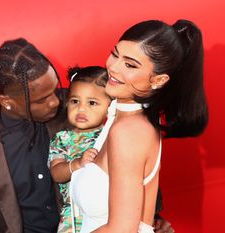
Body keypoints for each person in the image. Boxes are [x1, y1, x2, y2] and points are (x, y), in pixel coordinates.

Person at [0, 37, 175, 233]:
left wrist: (150, 217)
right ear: (7, 101)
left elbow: (129, 156)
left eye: (55, 88)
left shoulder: (81, 105)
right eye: (42, 99)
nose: (58, 101)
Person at [71, 19, 208, 233]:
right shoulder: (121, 113)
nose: (113, 67)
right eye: (115, 54)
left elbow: (121, 230)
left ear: (158, 80)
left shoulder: (129, 132)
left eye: (130, 65)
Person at [48, 66, 111, 233]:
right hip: (74, 216)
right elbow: (56, 173)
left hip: (109, 212)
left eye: (92, 103)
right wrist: (77, 163)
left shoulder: (112, 135)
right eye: (75, 101)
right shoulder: (62, 138)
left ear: (110, 106)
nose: (81, 109)